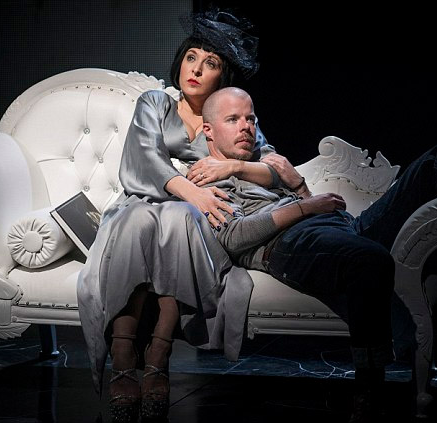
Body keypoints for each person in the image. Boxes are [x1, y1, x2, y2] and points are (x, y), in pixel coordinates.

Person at [198, 87, 437, 422]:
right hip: (288, 243)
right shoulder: (207, 177)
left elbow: (310, 200)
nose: (246, 126)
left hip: (341, 225)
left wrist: (300, 187)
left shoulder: (264, 161)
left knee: (436, 158)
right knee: (368, 258)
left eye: (251, 118)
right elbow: (233, 236)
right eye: (233, 119)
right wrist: (305, 206)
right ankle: (369, 389)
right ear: (209, 130)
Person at [76, 9, 282, 423]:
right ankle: (122, 354)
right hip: (143, 202)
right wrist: (191, 190)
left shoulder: (229, 115)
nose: (196, 69)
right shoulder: (155, 102)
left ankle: (159, 355)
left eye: (210, 63)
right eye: (191, 57)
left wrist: (233, 167)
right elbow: (144, 159)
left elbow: (273, 166)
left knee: (180, 219)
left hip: (193, 218)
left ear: (222, 76)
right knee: (141, 220)